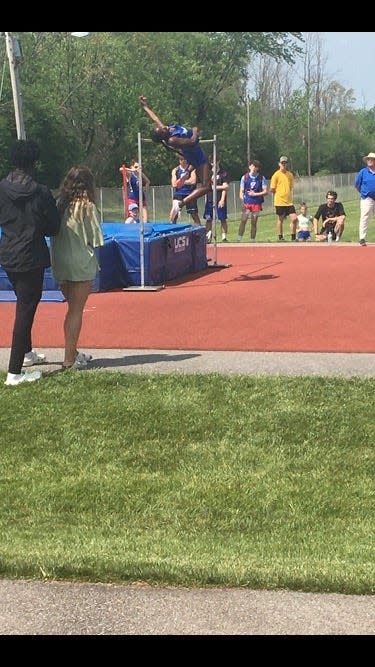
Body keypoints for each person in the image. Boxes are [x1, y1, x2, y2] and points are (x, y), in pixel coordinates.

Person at [0, 139, 61, 386]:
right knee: (25, 311)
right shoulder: (42, 192)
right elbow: (54, 227)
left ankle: (26, 355)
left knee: (23, 304)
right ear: (34, 162)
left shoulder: (1, 188)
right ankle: (14, 373)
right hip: (31, 257)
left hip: (8, 255)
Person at [50, 166, 104, 370]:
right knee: (75, 311)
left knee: (71, 309)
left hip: (60, 261)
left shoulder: (59, 205)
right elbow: (96, 239)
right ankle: (69, 360)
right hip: (80, 262)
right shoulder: (87, 207)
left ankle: (72, 352)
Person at [139, 95, 211, 222]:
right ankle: (181, 204)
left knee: (205, 186)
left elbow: (155, 118)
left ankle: (183, 189)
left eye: (161, 127)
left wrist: (145, 106)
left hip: (195, 154)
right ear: (162, 135)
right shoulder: (172, 139)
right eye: (161, 129)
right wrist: (194, 130)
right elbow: (193, 141)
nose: (163, 126)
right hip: (196, 155)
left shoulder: (167, 129)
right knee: (206, 187)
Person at [237, 159, 268, 242]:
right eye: (253, 166)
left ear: (258, 168)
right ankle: (239, 239)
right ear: (249, 166)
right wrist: (243, 201)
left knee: (254, 222)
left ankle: (252, 240)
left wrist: (255, 194)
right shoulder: (245, 177)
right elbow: (241, 192)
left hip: (256, 203)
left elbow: (265, 191)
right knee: (243, 220)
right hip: (247, 202)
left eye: (256, 167)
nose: (254, 168)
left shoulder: (261, 178)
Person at [270, 156, 298, 242]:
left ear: (287, 164)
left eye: (285, 163)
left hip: (289, 202)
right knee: (280, 219)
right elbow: (272, 189)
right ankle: (280, 237)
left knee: (294, 219)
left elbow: (290, 187)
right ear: (279, 164)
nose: (283, 165)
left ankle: (293, 237)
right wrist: (279, 194)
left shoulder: (290, 175)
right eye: (282, 163)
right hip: (279, 201)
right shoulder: (276, 175)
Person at [204, 157, 229, 243]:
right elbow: (208, 187)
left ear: (218, 161)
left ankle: (224, 237)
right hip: (210, 198)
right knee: (209, 218)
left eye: (215, 161)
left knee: (222, 218)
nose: (213, 163)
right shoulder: (208, 172)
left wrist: (222, 199)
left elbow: (226, 187)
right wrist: (220, 187)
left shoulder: (223, 172)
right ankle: (208, 236)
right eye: (211, 162)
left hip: (220, 198)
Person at [170, 156, 201, 226]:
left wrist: (181, 181)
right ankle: (172, 231)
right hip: (179, 194)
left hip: (190, 193)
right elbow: (174, 184)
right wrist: (185, 181)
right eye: (181, 159)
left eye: (184, 159)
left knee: (194, 214)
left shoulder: (191, 169)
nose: (183, 161)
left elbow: (193, 181)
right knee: (174, 213)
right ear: (179, 160)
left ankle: (199, 231)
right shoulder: (175, 170)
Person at [354, 151, 375, 246]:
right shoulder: (363, 172)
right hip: (367, 198)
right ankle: (362, 238)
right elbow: (357, 185)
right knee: (365, 217)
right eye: (368, 159)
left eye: (371, 159)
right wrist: (364, 193)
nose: (369, 161)